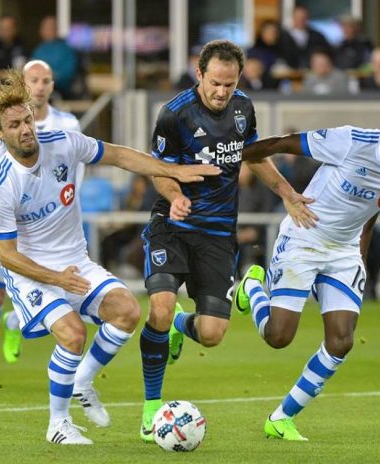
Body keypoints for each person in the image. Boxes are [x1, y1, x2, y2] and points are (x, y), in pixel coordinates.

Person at [0, 70, 218, 445]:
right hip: (33, 274)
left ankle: (83, 380)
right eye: (15, 125)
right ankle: (58, 424)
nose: (26, 129)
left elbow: (118, 156)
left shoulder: (64, 143)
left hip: (75, 260)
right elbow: (6, 255)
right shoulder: (3, 183)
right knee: (73, 334)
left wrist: (171, 169)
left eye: (28, 120)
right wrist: (56, 279)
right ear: (0, 134)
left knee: (128, 311)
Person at [137, 40, 316, 443]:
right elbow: (157, 169)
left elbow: (254, 156)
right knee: (161, 308)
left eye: (230, 84)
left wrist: (287, 193)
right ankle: (151, 407)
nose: (222, 92)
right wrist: (175, 195)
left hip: (218, 235)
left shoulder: (243, 109)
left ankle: (184, 326)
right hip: (174, 225)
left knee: (213, 334)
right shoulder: (174, 114)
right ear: (199, 74)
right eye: (215, 83)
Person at [233, 106, 380, 440]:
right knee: (278, 337)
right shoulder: (350, 140)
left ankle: (281, 418)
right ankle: (252, 285)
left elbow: (374, 207)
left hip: (344, 252)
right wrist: (231, 156)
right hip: (304, 236)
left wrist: (361, 254)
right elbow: (280, 143)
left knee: (341, 341)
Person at [0, 60, 82, 391]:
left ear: (52, 85)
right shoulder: (7, 123)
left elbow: (78, 168)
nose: (41, 85)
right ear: (24, 82)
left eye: (47, 80)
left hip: (55, 223)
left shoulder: (67, 122)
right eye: (34, 79)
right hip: (12, 223)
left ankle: (16, 321)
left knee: (64, 289)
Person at [32, 16, 78, 99]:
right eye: (45, 28)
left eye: (51, 28)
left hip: (59, 90)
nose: (48, 31)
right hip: (38, 89)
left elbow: (68, 74)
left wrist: (48, 77)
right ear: (41, 31)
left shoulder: (66, 49)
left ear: (56, 30)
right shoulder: (38, 50)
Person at [280, 5, 331, 70]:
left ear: (308, 18)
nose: (300, 20)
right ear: (293, 17)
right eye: (298, 17)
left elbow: (327, 53)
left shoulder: (317, 36)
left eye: (303, 17)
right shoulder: (283, 37)